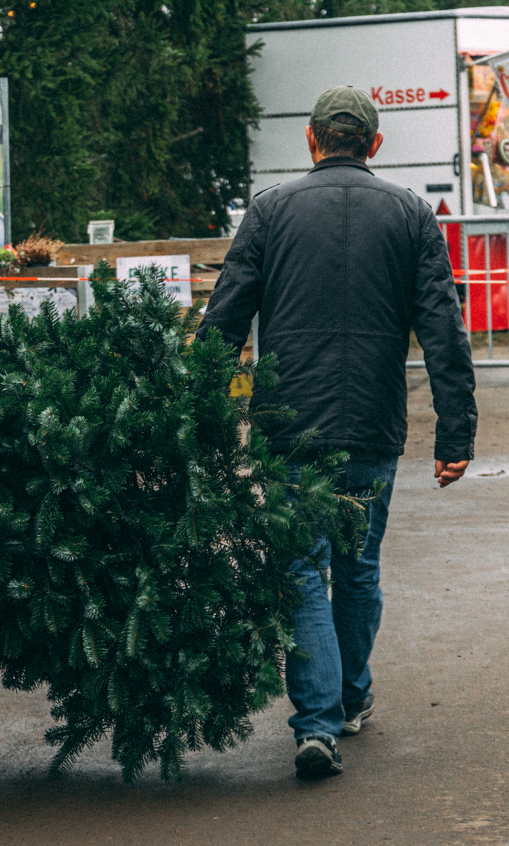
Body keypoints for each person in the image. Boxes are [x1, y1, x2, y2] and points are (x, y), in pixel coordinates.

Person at [197, 86, 477, 779]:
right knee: (357, 570)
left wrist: (192, 415)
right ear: (373, 145)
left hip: (288, 429)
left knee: (299, 572)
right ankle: (349, 702)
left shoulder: (269, 212)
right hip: (374, 429)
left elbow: (225, 321)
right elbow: (444, 330)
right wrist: (455, 436)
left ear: (312, 140)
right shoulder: (412, 215)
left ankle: (315, 725)